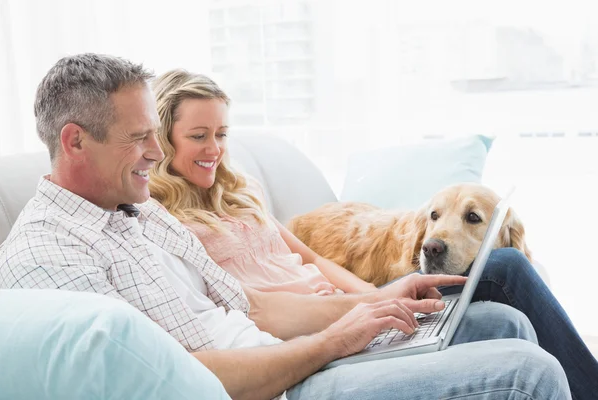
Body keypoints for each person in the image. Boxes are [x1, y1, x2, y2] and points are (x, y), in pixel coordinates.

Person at [0, 54, 570, 400]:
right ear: (75, 140)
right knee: (530, 373)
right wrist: (330, 345)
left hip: (287, 354)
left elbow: (252, 309)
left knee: (503, 325)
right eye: (140, 137)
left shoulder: (136, 213)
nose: (156, 150)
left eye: (156, 132)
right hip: (278, 385)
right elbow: (183, 381)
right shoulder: (51, 256)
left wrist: (373, 303)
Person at [149, 69, 597, 399]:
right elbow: (248, 309)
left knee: (510, 321)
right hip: (315, 334)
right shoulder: (161, 222)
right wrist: (362, 312)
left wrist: (382, 299)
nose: (215, 150)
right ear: (164, 138)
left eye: (222, 134)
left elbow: (315, 261)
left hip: (349, 311)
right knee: (508, 272)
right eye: (199, 136)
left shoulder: (239, 197)